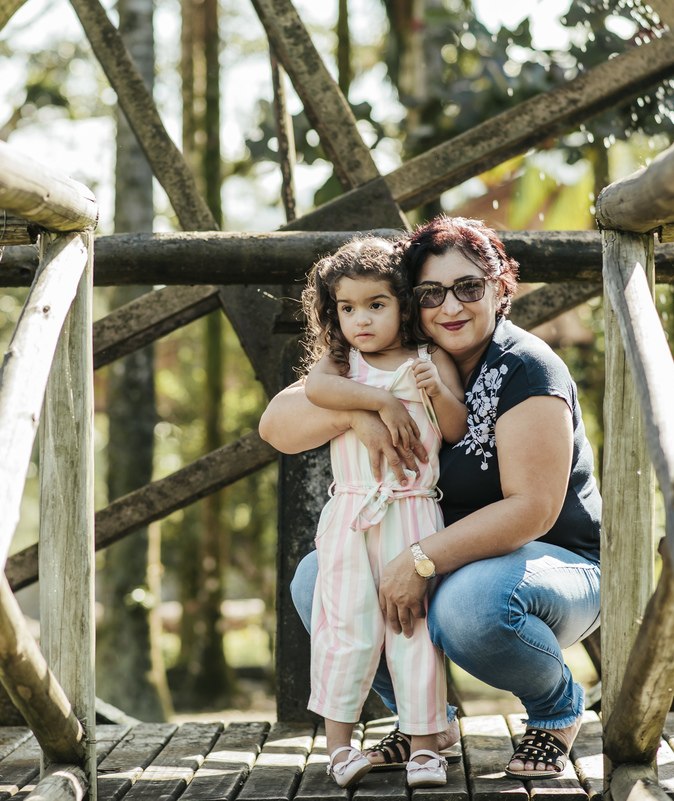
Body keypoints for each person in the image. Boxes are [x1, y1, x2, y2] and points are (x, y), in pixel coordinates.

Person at [260, 217, 601, 780]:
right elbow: (277, 424)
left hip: (551, 566)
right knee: (316, 580)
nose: (451, 306)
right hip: (444, 551)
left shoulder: (526, 366)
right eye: (431, 293)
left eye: (469, 287)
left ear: (500, 288)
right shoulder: (391, 356)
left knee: (468, 607)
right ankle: (426, 725)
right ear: (408, 301)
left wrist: (419, 560)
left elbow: (532, 510)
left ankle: (556, 708)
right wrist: (360, 411)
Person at [296, 237, 468, 789]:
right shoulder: (341, 363)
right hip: (351, 513)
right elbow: (316, 389)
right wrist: (379, 402)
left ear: (403, 303)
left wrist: (437, 394)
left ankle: (426, 748)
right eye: (347, 308)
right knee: (346, 627)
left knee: (412, 630)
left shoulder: (429, 360)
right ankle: (340, 748)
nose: (361, 320)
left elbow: (456, 429)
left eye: (376, 305)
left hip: (413, 512)